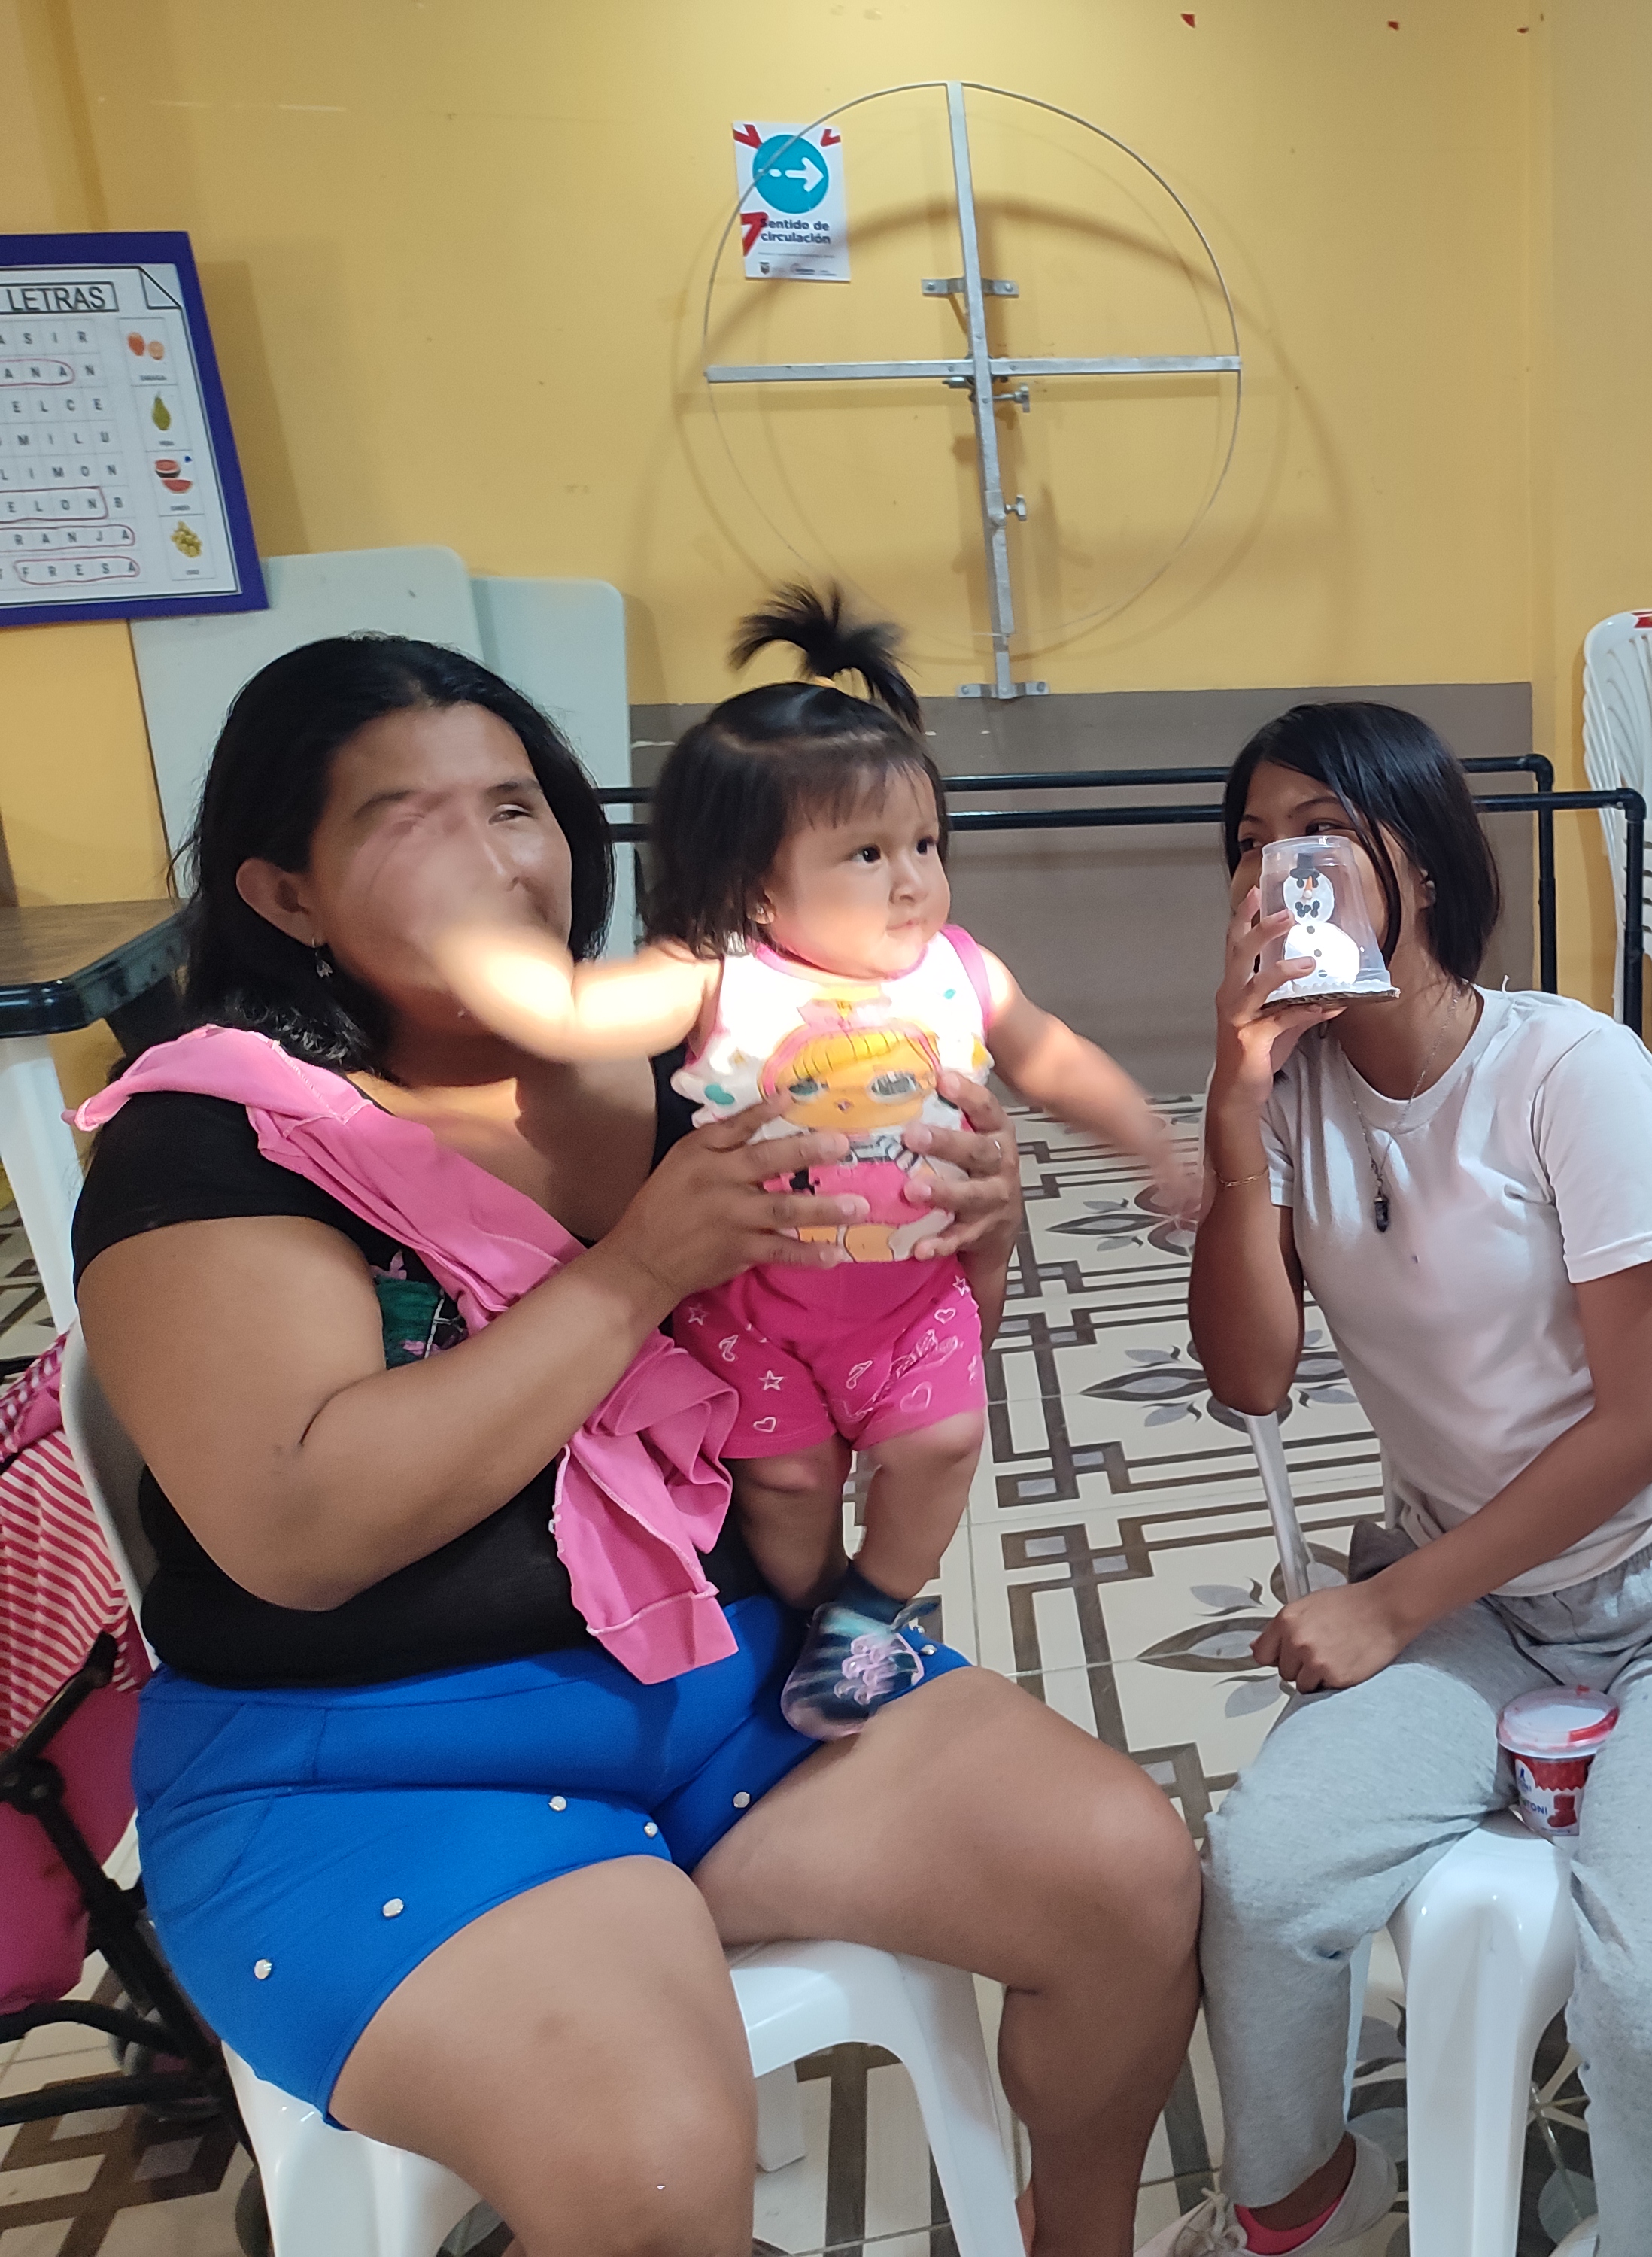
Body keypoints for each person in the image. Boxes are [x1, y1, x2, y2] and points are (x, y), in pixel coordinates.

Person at [73, 633, 1199, 2257]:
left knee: (1127, 1877)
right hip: (377, 1761)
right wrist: (635, 1271)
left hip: (732, 1680)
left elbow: (866, 1357)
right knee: (654, 2168)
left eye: (514, 804)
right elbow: (301, 1531)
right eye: (406, 815)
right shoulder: (221, 1140)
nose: (492, 856)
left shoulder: (708, 1063)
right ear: (285, 893)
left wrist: (978, 1233)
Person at [1149, 703, 1652, 2257]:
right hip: (1479, 1598)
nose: (1278, 873)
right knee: (1265, 1884)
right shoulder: (1294, 1096)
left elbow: (1648, 1423)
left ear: (1416, 857)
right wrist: (1233, 1105)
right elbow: (1249, 1378)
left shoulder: (1566, 1070)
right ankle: (1305, 2208)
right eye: (1252, 846)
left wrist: (1392, 1605)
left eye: (1320, 833)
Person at [428, 587, 1186, 1736]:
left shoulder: (961, 970)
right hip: (755, 1313)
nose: (912, 879)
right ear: (755, 886)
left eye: (925, 844)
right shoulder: (720, 975)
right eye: (867, 853)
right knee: (787, 1485)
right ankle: (821, 1615)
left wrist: (1152, 1142)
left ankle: (871, 1610)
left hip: (914, 1300)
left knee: (943, 1443)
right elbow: (573, 1014)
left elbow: (1057, 1058)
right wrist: (464, 931)